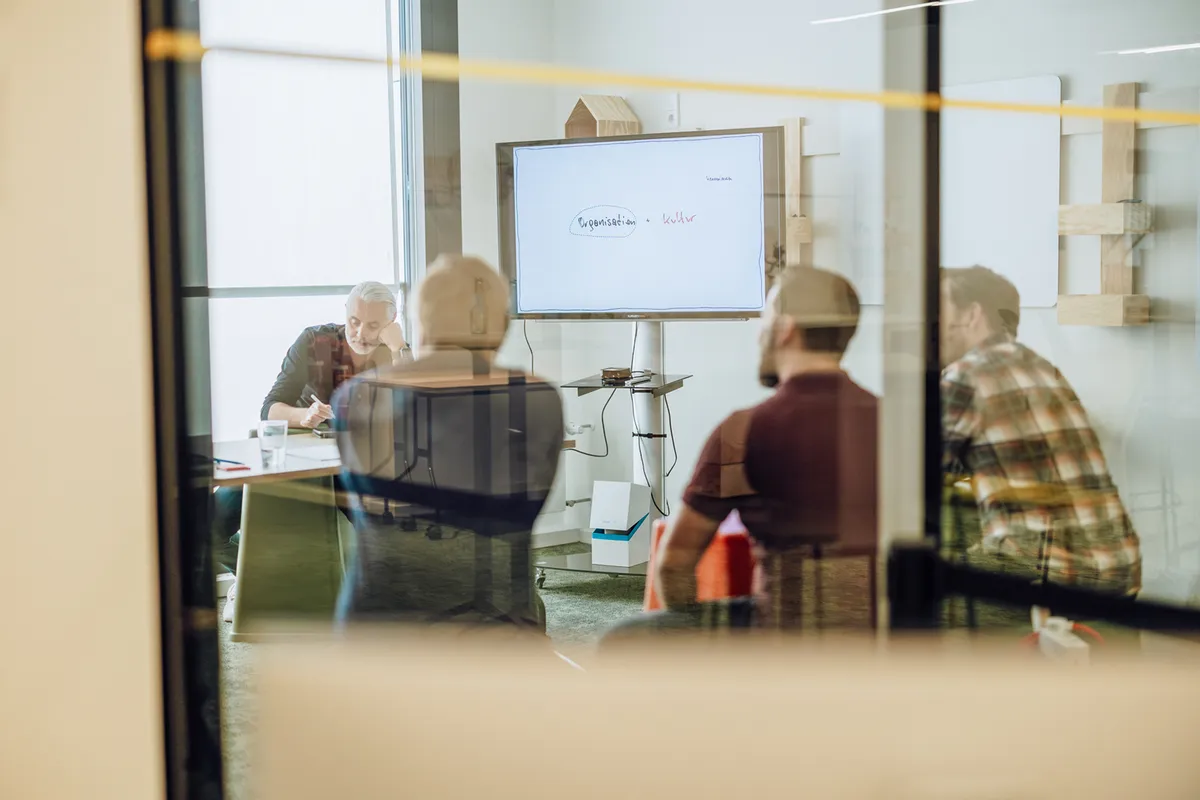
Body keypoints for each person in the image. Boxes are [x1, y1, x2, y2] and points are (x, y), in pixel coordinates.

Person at [606, 266, 878, 641]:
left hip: (784, 639)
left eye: (765, 317)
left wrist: (691, 637)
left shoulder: (743, 432)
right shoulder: (897, 425)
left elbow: (674, 564)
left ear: (786, 327)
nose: (759, 331)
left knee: (625, 638)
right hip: (887, 641)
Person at [331, 255, 563, 631]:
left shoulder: (354, 398)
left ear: (419, 324)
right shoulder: (539, 401)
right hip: (498, 633)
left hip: (377, 638)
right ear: (502, 326)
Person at [939, 266, 1141, 622]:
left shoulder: (965, 376)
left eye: (937, 309)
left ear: (971, 315)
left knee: (902, 593)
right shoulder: (1041, 366)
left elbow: (907, 473)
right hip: (1117, 567)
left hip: (1046, 575)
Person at [214, 281, 409, 622]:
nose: (360, 333)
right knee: (207, 525)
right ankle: (248, 576)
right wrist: (301, 416)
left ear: (392, 322)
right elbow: (269, 408)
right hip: (293, 454)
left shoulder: (391, 355)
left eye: (374, 326)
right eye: (354, 321)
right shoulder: (314, 341)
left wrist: (400, 348)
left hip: (352, 465)